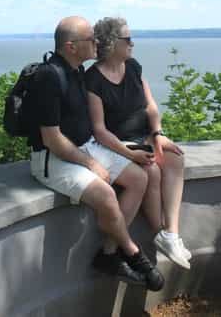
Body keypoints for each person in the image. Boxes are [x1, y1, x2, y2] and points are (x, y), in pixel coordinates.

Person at [29, 16, 164, 290]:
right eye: (91, 39)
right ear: (71, 46)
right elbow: (52, 139)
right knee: (105, 194)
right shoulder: (49, 77)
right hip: (53, 159)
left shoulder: (77, 72)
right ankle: (133, 253)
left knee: (140, 178)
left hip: (84, 147)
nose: (97, 43)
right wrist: (90, 164)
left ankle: (108, 254)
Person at [85, 17, 191, 270]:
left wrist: (158, 133)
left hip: (144, 135)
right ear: (111, 44)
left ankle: (170, 234)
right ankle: (159, 232)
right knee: (151, 170)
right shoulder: (93, 80)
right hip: (118, 142)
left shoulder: (132, 66)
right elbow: (99, 130)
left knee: (175, 156)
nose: (133, 44)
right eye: (128, 39)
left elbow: (150, 105)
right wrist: (130, 154)